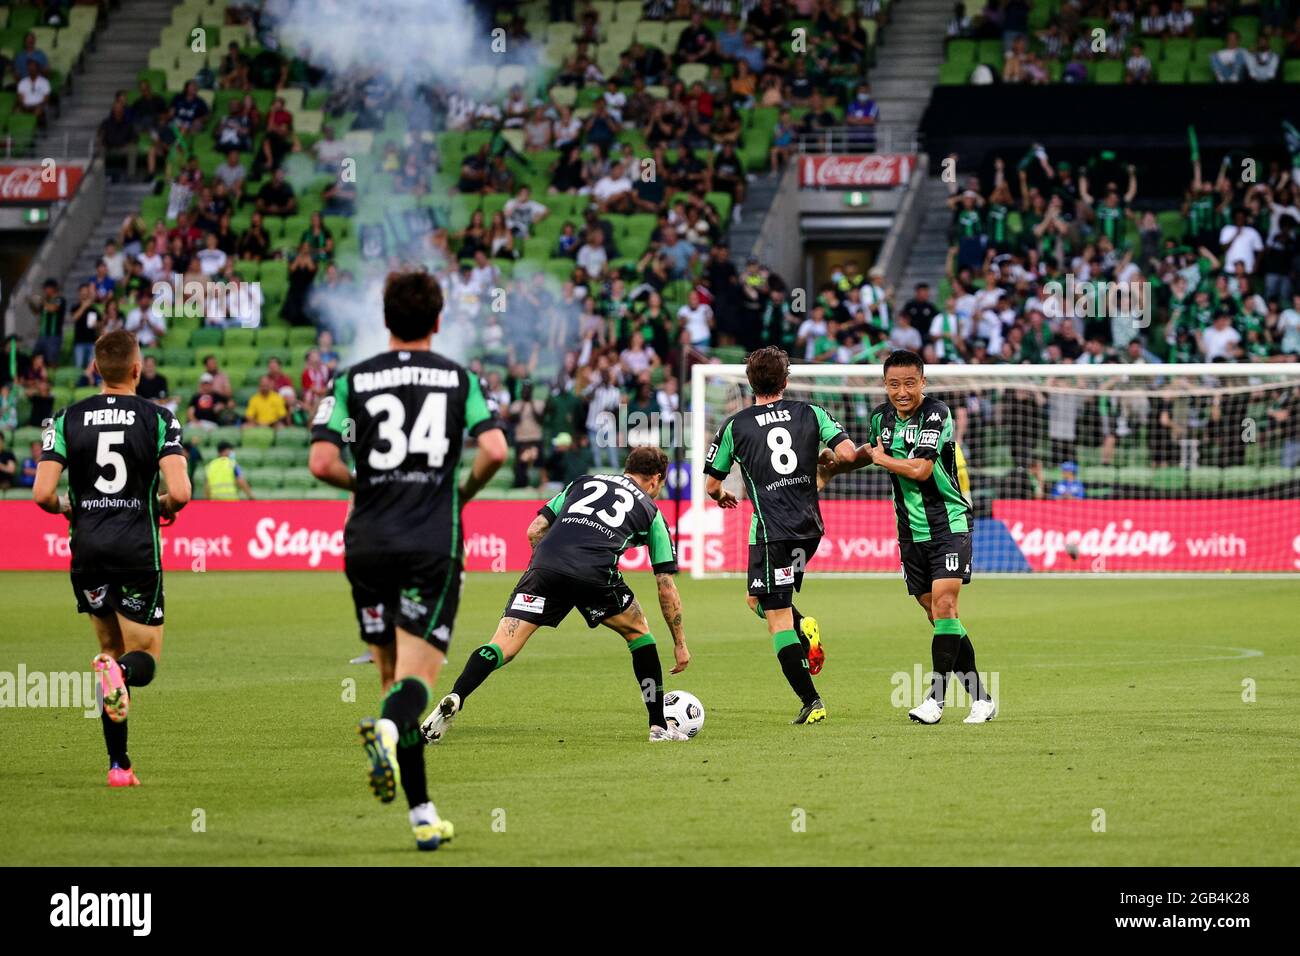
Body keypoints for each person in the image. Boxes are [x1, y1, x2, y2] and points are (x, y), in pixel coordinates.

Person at [308, 269, 508, 851]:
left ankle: (422, 815)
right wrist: (462, 491)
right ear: (438, 320)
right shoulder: (458, 378)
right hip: (429, 542)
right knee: (416, 684)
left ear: (386, 318)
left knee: (392, 681)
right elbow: (494, 449)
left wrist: (366, 485)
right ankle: (390, 737)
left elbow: (321, 464)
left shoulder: (352, 380)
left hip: (366, 540)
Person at [423, 446, 691, 745]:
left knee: (503, 646)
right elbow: (665, 584)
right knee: (640, 635)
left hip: (545, 568)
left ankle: (456, 695)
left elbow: (535, 529)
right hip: (594, 575)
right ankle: (658, 725)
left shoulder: (583, 482)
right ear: (656, 479)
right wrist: (680, 643)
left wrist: (547, 570)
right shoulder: (651, 511)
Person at [32, 330, 192, 786]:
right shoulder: (158, 417)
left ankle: (119, 766)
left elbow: (42, 493)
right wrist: (162, 505)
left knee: (108, 649)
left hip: (87, 548)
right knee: (142, 658)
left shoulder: (64, 418)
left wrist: (71, 507)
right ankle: (119, 674)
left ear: (95, 369)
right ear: (137, 370)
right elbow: (180, 492)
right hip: (136, 549)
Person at [819, 349, 996, 725]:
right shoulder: (880, 418)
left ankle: (935, 701)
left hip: (949, 523)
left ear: (923, 383)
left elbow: (920, 469)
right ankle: (982, 698)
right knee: (937, 613)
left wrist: (880, 459)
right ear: (885, 385)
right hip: (909, 531)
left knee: (946, 607)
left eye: (910, 383)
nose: (902, 391)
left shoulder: (936, 413)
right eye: (894, 384)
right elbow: (872, 451)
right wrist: (834, 469)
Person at [703, 347, 857, 724]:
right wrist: (824, 458)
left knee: (775, 617)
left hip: (772, 533)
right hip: (810, 531)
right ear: (786, 381)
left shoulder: (735, 426)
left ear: (750, 384)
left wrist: (723, 496)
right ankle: (804, 627)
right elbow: (850, 455)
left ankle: (812, 700)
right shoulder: (812, 412)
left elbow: (711, 485)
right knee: (757, 598)